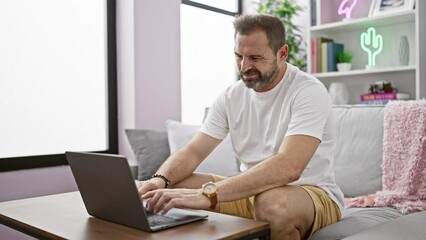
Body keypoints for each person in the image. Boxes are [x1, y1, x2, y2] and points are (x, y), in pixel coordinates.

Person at [138, 13, 344, 240]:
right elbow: (193, 151)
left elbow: (289, 167)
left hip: (309, 193)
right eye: (239, 56)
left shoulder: (308, 91)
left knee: (272, 204)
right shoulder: (230, 97)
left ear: (282, 53)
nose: (244, 66)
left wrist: (211, 194)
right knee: (172, 188)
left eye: (255, 57)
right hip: (251, 193)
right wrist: (158, 180)